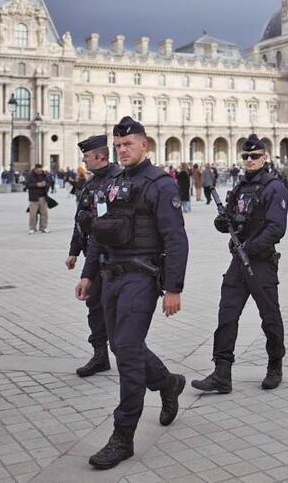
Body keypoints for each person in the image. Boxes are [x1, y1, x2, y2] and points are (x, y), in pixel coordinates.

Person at [76, 117, 188, 470]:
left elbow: (176, 240)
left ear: (144, 145)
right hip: (110, 276)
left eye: (129, 145)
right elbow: (98, 233)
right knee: (123, 344)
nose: (122, 150)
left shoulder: (160, 185)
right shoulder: (111, 185)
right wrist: (88, 274)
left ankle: (122, 437)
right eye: (118, 146)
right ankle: (168, 383)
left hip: (142, 277)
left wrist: (173, 287)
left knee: (125, 353)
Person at [193, 134, 288, 396]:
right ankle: (222, 372)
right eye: (245, 156)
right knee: (227, 314)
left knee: (269, 317)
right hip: (239, 261)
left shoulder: (274, 187)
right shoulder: (239, 187)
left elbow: (276, 228)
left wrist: (250, 247)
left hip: (261, 262)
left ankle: (275, 365)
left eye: (254, 156)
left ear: (265, 157)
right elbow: (230, 220)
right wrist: (222, 223)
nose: (249, 160)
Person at [66, 135, 120, 378]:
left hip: (114, 256)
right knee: (94, 305)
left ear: (99, 156)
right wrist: (74, 251)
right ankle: (100, 355)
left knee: (114, 307)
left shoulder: (117, 180)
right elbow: (80, 220)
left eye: (87, 156)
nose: (84, 160)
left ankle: (128, 354)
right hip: (93, 255)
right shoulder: (90, 183)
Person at [26, 164, 53, 233]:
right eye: (38, 170)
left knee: (44, 213)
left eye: (40, 170)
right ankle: (32, 228)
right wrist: (37, 184)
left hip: (43, 196)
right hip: (33, 197)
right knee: (33, 214)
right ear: (35, 169)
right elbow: (27, 185)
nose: (40, 171)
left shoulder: (44, 175)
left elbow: (49, 182)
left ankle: (43, 227)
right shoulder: (30, 175)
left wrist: (45, 184)